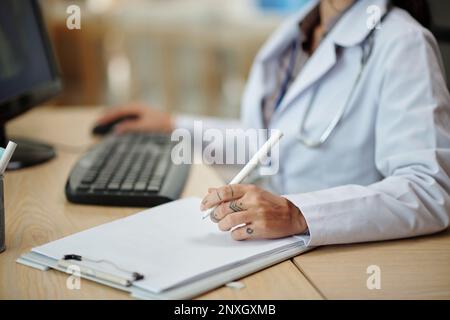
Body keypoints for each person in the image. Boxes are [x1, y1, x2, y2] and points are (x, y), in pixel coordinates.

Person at [96, 0, 450, 246]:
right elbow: (273, 145)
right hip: (268, 242)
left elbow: (429, 189)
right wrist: (174, 125)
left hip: (335, 255)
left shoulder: (404, 44)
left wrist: (297, 213)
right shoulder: (301, 30)